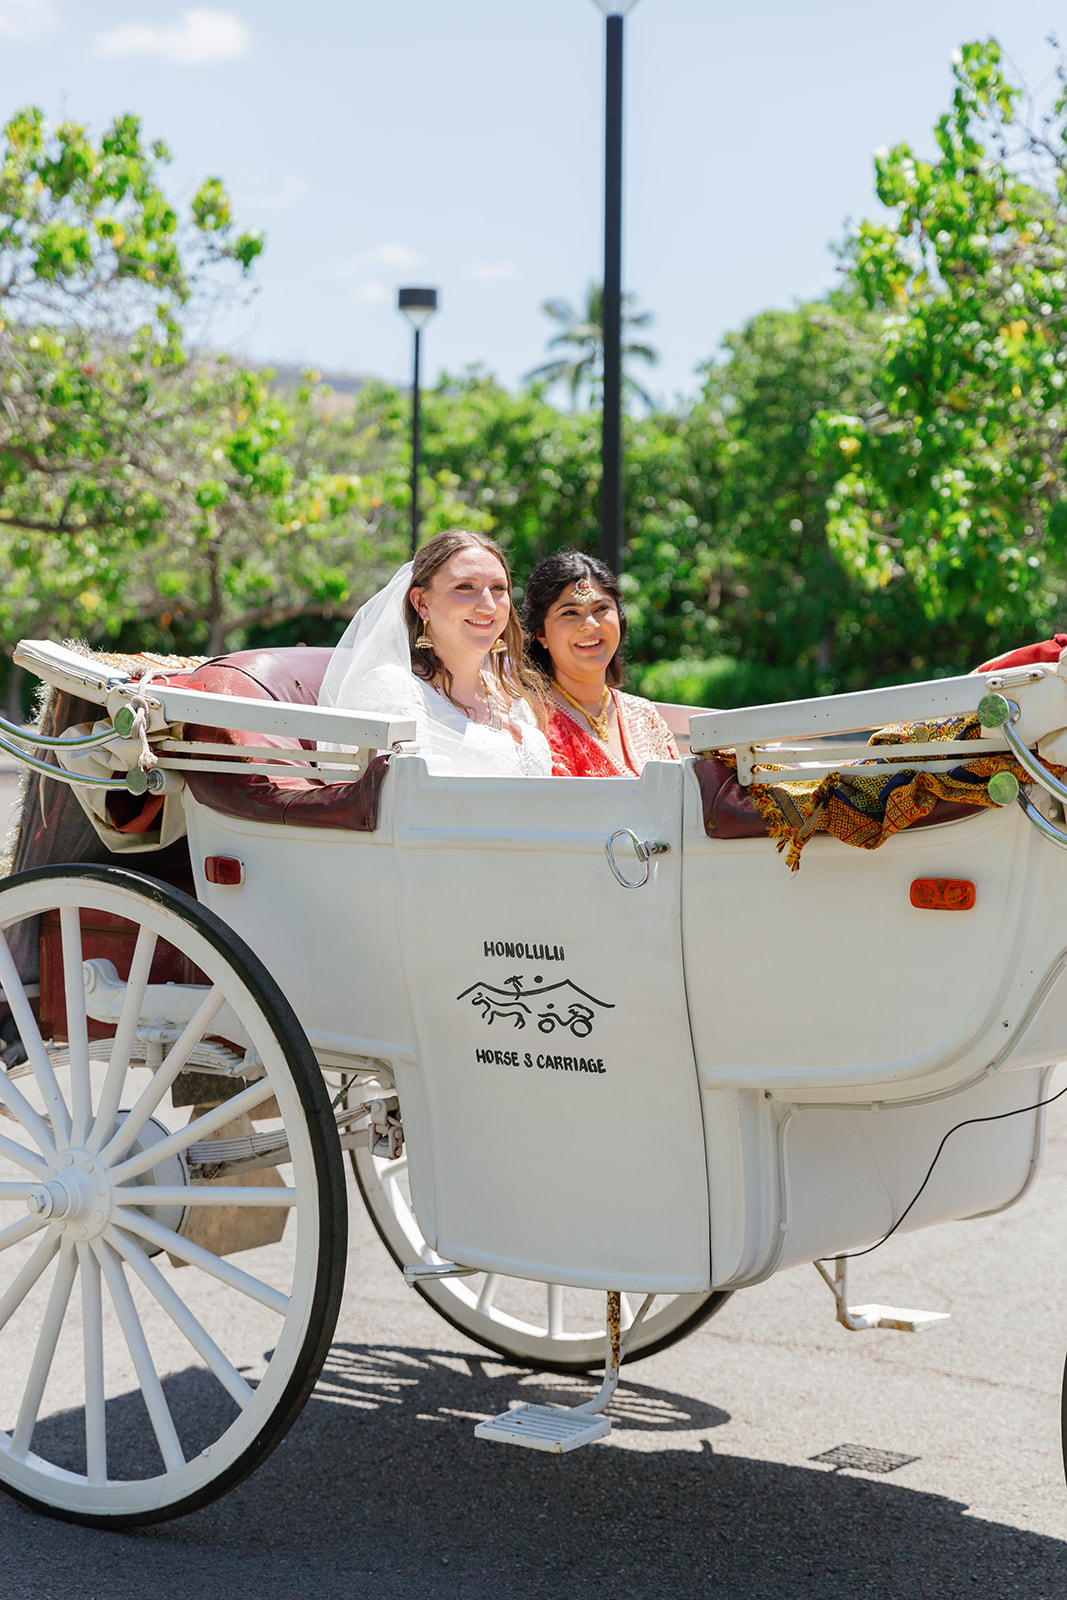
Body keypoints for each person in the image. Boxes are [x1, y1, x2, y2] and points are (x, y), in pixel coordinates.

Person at [318, 529, 551, 777]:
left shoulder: (513, 697)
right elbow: (396, 801)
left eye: (498, 588)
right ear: (422, 603)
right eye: (465, 587)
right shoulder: (392, 690)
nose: (488, 605)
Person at [522, 551, 680, 776]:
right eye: (569, 613)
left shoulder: (644, 715)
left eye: (601, 609)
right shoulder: (530, 719)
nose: (589, 624)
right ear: (541, 634)